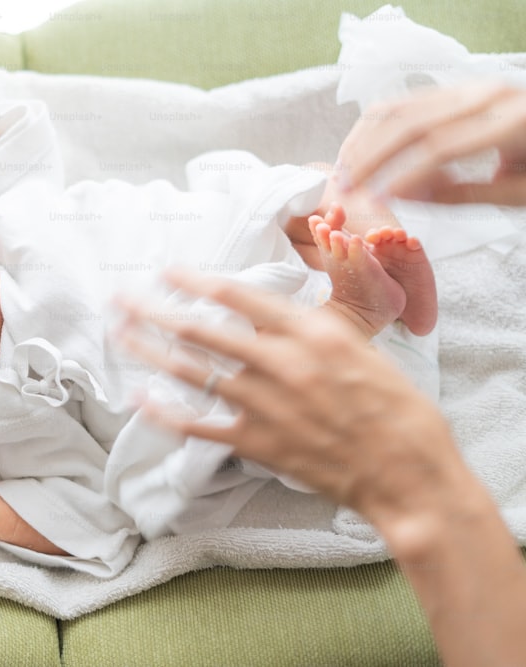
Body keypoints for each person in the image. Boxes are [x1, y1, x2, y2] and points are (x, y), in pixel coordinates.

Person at [0, 101, 438, 576]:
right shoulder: (2, 436)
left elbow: (22, 138)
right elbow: (99, 518)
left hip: (221, 244)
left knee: (301, 189)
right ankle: (360, 313)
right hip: (244, 359)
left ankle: (376, 267)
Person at [115, 81, 526, 666]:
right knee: (243, 378)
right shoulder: (4, 413)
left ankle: (391, 302)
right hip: (326, 362)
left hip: (319, 326)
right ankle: (369, 309)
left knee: (310, 187)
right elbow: (94, 507)